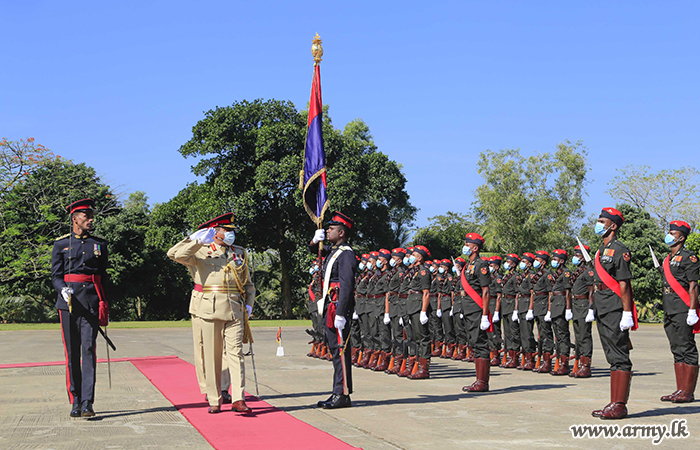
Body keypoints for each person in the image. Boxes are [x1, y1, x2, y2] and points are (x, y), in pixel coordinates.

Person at [168, 213, 255, 414]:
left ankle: (238, 398)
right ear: (215, 232)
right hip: (209, 307)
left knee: (236, 354)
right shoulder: (200, 251)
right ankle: (214, 398)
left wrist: (249, 304)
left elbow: (248, 283)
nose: (231, 234)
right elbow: (174, 254)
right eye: (227, 230)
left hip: (234, 308)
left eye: (232, 230)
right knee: (212, 355)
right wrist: (195, 240)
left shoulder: (239, 252)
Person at [51, 198, 109, 418]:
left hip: (91, 302)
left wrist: (104, 303)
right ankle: (75, 400)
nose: (91, 220)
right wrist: (62, 289)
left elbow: (103, 277)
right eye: (87, 217)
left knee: (89, 351)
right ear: (75, 219)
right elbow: (55, 275)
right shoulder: (61, 244)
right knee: (72, 353)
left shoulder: (100, 245)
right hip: (68, 304)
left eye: (91, 216)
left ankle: (87, 402)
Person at [590, 207, 636, 420]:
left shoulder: (619, 250)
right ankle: (613, 402)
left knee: (619, 355)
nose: (598, 224)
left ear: (613, 226)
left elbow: (624, 284)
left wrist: (627, 313)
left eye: (602, 221)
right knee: (611, 355)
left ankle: (620, 405)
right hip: (602, 306)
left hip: (615, 307)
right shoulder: (601, 249)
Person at [310, 211, 358, 409]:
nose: (327, 231)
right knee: (335, 352)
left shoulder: (346, 254)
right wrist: (314, 241)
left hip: (337, 308)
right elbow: (318, 252)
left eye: (331, 229)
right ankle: (337, 391)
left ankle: (343, 394)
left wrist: (340, 313)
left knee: (341, 352)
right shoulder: (334, 252)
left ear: (341, 232)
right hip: (330, 306)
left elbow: (346, 286)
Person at [659, 220, 699, 403]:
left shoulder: (689, 257)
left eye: (672, 233)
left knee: (687, 347)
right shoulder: (668, 259)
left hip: (683, 308)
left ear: (681, 237)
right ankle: (680, 389)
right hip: (669, 308)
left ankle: (688, 392)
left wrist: (692, 310)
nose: (669, 235)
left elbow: (693, 286)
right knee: (676, 348)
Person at [459, 233, 493, 392]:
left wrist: (485, 315)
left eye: (468, 244)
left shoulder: (481, 265)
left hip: (477, 309)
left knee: (480, 343)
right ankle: (479, 380)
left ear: (475, 247)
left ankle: (482, 383)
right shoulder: (469, 264)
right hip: (468, 309)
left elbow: (485, 292)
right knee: (474, 342)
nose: (465, 246)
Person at [402, 245, 433, 379]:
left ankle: (424, 369)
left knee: (423, 339)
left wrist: (423, 311)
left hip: (419, 306)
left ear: (419, 258)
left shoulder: (423, 272)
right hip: (412, 306)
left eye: (414, 254)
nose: (411, 256)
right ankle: (416, 367)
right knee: (415, 338)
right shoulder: (414, 271)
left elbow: (426, 293)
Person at [569, 245, 595, 378]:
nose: (575, 257)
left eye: (577, 255)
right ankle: (579, 364)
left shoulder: (588, 272)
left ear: (584, 257)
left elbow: (591, 291)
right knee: (578, 336)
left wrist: (591, 308)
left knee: (584, 336)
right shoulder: (578, 271)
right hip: (576, 305)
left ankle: (586, 366)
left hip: (584, 305)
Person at [548, 249, 573, 376]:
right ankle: (560, 361)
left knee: (563, 336)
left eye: (555, 259)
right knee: (557, 336)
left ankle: (565, 364)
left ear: (562, 261)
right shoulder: (557, 273)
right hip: (555, 304)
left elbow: (568, 292)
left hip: (562, 305)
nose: (553, 261)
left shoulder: (566, 273)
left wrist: (568, 309)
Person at [385, 248, 407, 374]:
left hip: (398, 305)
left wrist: (400, 311)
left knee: (399, 336)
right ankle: (396, 360)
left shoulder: (401, 273)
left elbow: (401, 292)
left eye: (394, 258)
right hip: (392, 305)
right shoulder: (393, 272)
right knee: (395, 335)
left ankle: (400, 361)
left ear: (399, 260)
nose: (391, 260)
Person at [372, 249, 393, 371]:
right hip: (377, 306)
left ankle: (386, 360)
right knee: (378, 333)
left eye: (380, 260)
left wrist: (386, 312)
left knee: (385, 335)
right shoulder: (380, 274)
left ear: (385, 261)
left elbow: (387, 294)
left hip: (382, 307)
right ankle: (380, 358)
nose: (377, 262)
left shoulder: (387, 275)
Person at [500, 254, 522, 368]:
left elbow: (518, 294)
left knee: (514, 333)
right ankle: (510, 356)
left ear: (513, 264)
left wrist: (515, 310)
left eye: (508, 262)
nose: (506, 263)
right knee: (507, 333)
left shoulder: (516, 276)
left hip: (512, 304)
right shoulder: (506, 276)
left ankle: (515, 358)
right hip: (505, 305)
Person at [516, 252, 537, 370]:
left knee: (527, 334)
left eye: (524, 262)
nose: (522, 264)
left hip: (527, 306)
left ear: (529, 264)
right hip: (521, 306)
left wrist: (530, 309)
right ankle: (526, 357)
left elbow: (532, 293)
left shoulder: (531, 276)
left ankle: (530, 359)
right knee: (522, 334)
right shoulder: (523, 275)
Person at [438, 259, 457, 358]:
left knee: (449, 327)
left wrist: (452, 306)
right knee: (445, 327)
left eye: (442, 266)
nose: (440, 268)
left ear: (446, 268)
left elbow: (452, 292)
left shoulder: (449, 278)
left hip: (447, 302)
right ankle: (448, 346)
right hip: (443, 303)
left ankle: (451, 347)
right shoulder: (443, 277)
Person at [487, 256, 504, 366]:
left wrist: (497, 311)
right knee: (489, 331)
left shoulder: (498, 278)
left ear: (497, 267)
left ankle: (496, 355)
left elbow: (499, 296)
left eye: (491, 266)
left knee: (495, 331)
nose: (489, 267)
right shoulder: (489, 277)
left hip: (494, 305)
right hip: (489, 304)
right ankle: (491, 353)